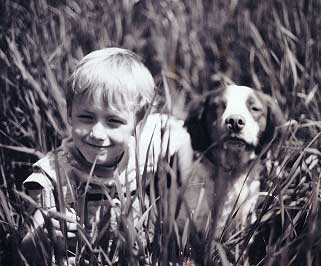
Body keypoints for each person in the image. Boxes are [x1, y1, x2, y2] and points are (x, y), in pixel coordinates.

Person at [21, 47, 193, 265]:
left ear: (139, 123)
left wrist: (178, 211)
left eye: (113, 121)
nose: (97, 133)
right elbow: (25, 251)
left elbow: (180, 136)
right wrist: (41, 236)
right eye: (86, 117)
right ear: (70, 114)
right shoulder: (53, 174)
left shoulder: (141, 155)